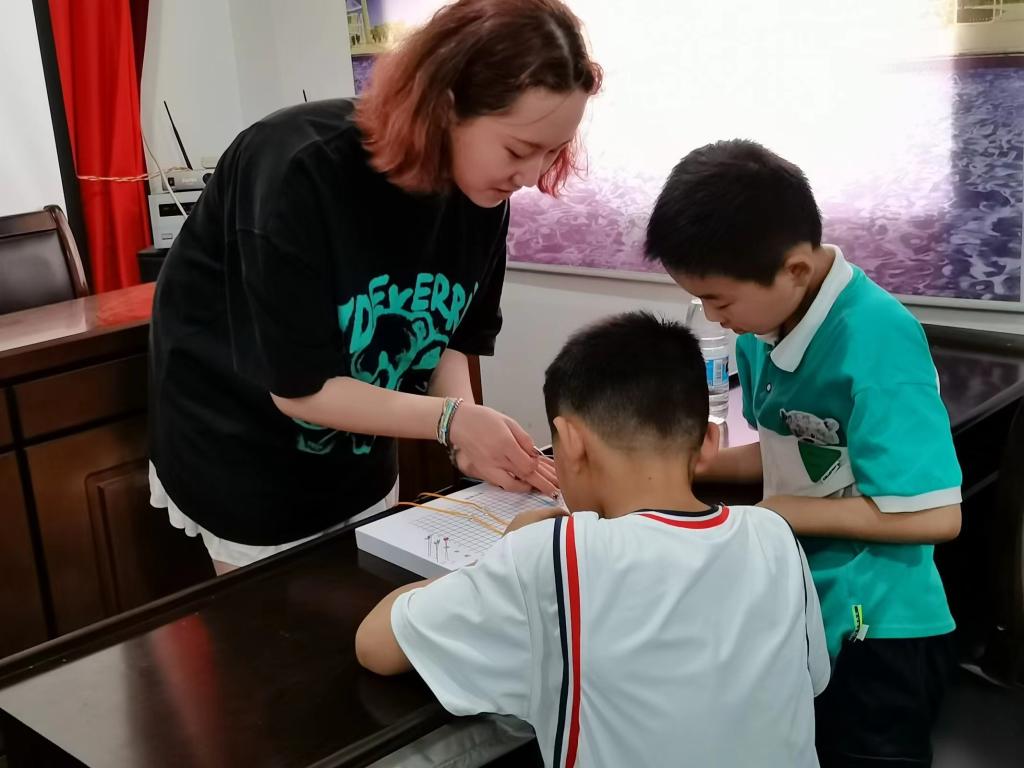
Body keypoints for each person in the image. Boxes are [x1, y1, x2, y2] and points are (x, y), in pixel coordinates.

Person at [148, 0, 602, 574]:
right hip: (244, 453)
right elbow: (297, 388)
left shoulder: (484, 193)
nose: (533, 177)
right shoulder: (297, 169)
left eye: (552, 152)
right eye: (518, 149)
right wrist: (451, 420)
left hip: (360, 446)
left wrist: (462, 433)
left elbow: (450, 336)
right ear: (444, 106)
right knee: (272, 621)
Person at [356, 311, 829, 768]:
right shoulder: (775, 537)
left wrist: (502, 557)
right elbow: (812, 680)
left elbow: (375, 644)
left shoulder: (555, 553)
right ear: (708, 441)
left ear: (570, 442)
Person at [644, 139, 963, 767]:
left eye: (719, 300)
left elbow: (933, 514)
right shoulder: (762, 330)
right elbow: (802, 456)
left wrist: (776, 514)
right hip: (805, 601)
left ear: (793, 269)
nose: (713, 317)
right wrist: (704, 467)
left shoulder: (877, 340)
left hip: (879, 628)